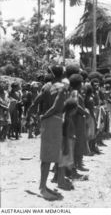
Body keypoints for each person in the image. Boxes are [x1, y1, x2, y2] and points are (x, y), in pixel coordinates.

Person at [39, 65, 67, 200]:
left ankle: (42, 186)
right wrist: (44, 116)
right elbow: (56, 107)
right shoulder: (61, 87)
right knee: (48, 157)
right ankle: (42, 189)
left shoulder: (46, 86)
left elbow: (36, 102)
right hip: (53, 121)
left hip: (47, 122)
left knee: (46, 155)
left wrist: (34, 116)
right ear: (62, 74)